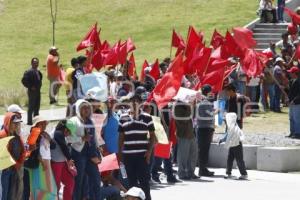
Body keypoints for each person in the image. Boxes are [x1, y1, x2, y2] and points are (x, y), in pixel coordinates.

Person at [118, 95, 156, 200]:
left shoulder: (147, 117)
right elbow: (121, 137)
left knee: (144, 182)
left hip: (142, 155)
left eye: (137, 102)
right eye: (132, 101)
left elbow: (153, 136)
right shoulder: (123, 118)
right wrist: (120, 154)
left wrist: (149, 152)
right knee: (132, 183)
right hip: (128, 156)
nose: (134, 103)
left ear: (141, 103)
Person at [67, 99, 102, 200]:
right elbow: (68, 138)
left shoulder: (90, 121)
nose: (86, 110)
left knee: (96, 179)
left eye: (87, 107)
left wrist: (98, 146)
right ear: (78, 109)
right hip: (78, 154)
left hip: (91, 154)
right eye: (83, 108)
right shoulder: (72, 121)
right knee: (79, 182)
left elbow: (94, 136)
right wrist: (81, 138)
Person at [25, 116, 57, 200]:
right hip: (40, 164)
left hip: (47, 163)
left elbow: (53, 146)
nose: (43, 125)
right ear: (36, 125)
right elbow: (34, 151)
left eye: (44, 123)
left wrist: (49, 139)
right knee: (40, 187)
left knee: (48, 188)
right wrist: (42, 162)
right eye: (41, 124)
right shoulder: (34, 135)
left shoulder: (44, 134)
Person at [0, 113, 26, 200]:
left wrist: (20, 162)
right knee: (4, 194)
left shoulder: (17, 136)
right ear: (8, 123)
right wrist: (17, 164)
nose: (16, 125)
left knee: (12, 194)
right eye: (14, 123)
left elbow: (23, 151)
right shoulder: (1, 135)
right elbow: (5, 153)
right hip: (4, 171)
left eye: (17, 123)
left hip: (14, 170)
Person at [50, 120, 76, 200]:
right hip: (55, 164)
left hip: (62, 163)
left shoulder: (60, 134)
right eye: (69, 132)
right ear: (65, 129)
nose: (69, 135)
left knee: (70, 182)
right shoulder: (57, 133)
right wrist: (69, 159)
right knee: (56, 187)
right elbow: (63, 146)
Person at [173, 101, 198, 180]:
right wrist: (189, 107)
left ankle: (191, 172)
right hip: (183, 134)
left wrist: (193, 106)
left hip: (191, 134)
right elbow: (185, 119)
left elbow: (193, 117)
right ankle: (182, 173)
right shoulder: (177, 107)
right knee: (183, 155)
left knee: (193, 154)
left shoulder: (187, 106)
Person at [219, 113, 248, 180]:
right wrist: (223, 139)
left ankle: (244, 174)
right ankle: (228, 173)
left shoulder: (234, 127)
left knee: (239, 160)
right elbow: (228, 134)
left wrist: (222, 139)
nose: (225, 121)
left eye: (226, 119)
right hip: (232, 144)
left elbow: (239, 134)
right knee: (230, 159)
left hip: (237, 144)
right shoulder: (232, 126)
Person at [196, 85, 215, 177]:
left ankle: (203, 168)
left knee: (203, 150)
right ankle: (202, 169)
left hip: (203, 128)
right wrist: (217, 111)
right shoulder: (205, 102)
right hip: (205, 128)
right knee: (204, 150)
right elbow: (210, 114)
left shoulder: (202, 101)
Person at [21, 58, 43, 125]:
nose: (36, 64)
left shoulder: (38, 71)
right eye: (34, 63)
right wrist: (30, 87)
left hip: (38, 91)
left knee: (37, 106)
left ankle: (36, 121)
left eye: (37, 63)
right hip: (32, 92)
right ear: (31, 63)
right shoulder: (28, 71)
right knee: (31, 107)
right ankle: (29, 122)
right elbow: (24, 81)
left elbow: (40, 78)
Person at [287, 66, 300, 138]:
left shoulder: (299, 82)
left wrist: (294, 101)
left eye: (291, 72)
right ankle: (292, 132)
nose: (289, 74)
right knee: (291, 118)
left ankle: (298, 133)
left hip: (297, 103)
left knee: (297, 118)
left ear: (295, 73)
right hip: (291, 103)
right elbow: (290, 92)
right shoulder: (291, 81)